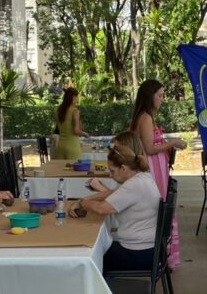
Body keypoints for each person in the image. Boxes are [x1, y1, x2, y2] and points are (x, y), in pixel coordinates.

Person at [71, 144, 160, 272]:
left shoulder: (133, 185)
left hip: (137, 254)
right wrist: (85, 200)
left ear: (123, 168)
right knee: (97, 244)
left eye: (112, 171)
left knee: (84, 259)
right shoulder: (142, 177)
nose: (110, 175)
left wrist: (83, 203)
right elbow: (112, 193)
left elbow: (102, 209)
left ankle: (92, 290)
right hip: (149, 249)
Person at [129, 79, 186, 269]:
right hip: (152, 167)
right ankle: (159, 254)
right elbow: (150, 148)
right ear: (149, 96)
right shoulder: (145, 118)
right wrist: (172, 143)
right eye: (159, 95)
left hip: (157, 166)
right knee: (157, 206)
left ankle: (162, 253)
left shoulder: (148, 117)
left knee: (159, 205)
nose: (162, 99)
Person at [54, 87, 88, 160]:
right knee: (74, 170)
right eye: (77, 96)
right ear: (73, 97)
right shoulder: (74, 110)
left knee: (61, 170)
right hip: (72, 145)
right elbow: (76, 130)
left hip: (60, 145)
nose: (78, 98)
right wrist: (85, 134)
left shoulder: (58, 110)